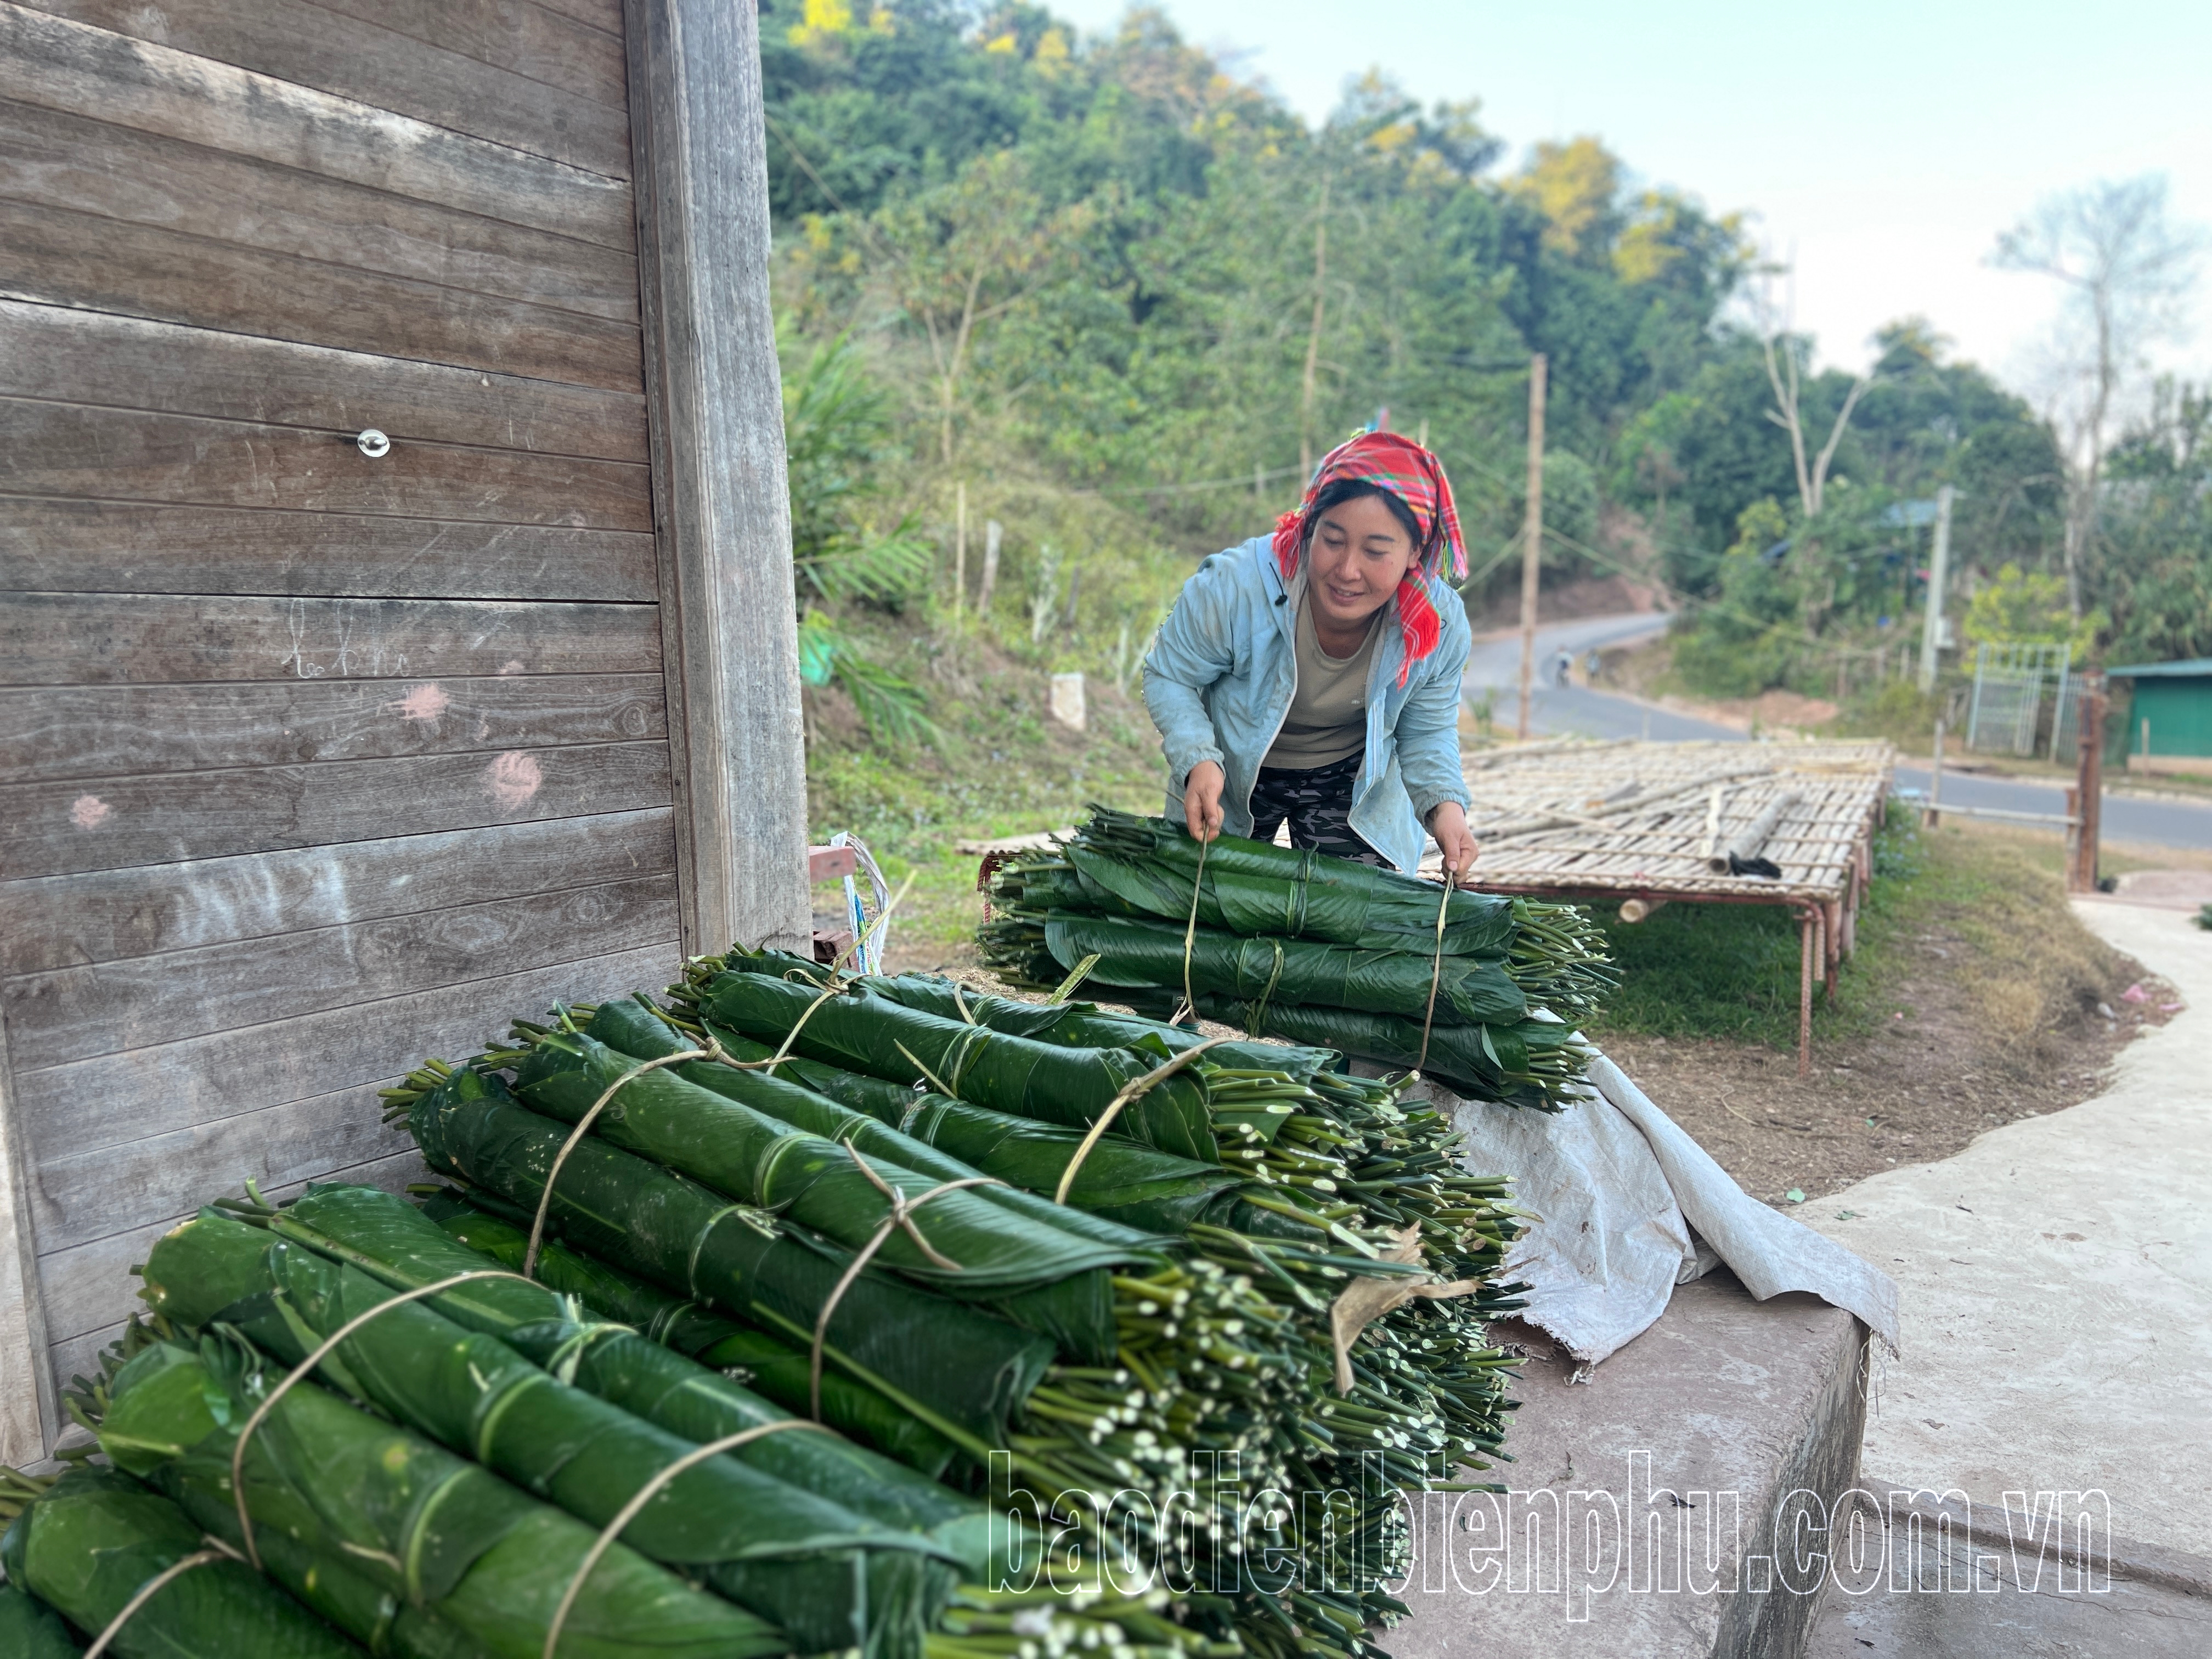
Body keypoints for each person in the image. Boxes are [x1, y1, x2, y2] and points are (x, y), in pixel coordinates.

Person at [1142, 432, 1480, 882]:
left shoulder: (1437, 625)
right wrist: (1198, 760)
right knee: (1204, 906)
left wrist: (1446, 809)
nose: (1347, 571)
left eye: (1376, 552)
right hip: (1233, 767)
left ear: (1416, 551)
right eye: (1333, 540)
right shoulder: (1237, 588)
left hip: (1349, 777)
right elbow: (1170, 675)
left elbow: (1427, 730)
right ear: (1310, 524)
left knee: (1348, 925)